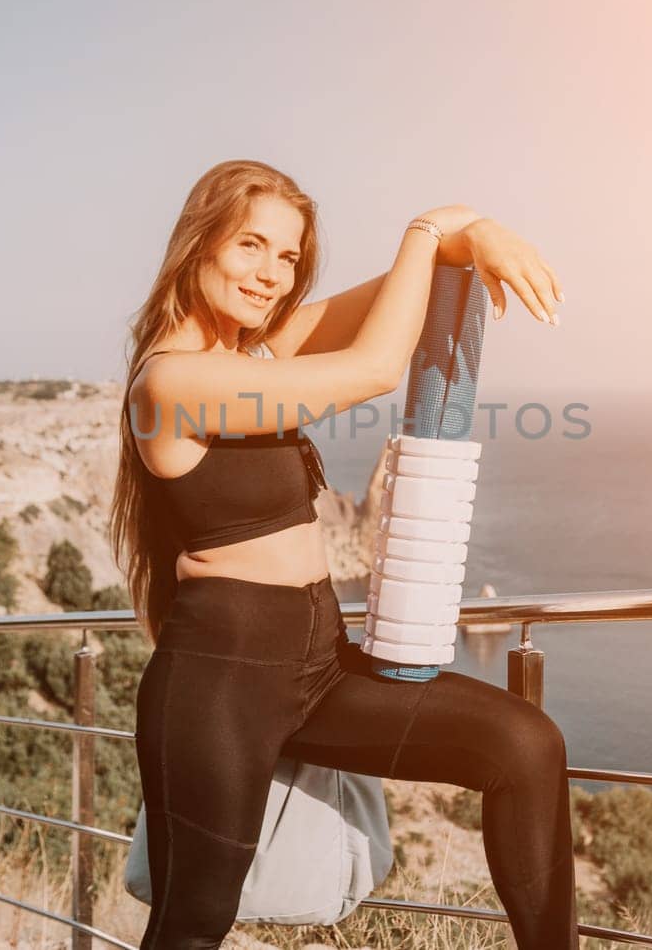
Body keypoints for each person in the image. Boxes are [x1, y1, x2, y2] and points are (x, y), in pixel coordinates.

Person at [110, 159, 576, 949]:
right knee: (194, 922)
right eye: (251, 245)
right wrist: (430, 226)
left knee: (525, 746)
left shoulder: (261, 353)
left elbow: (417, 282)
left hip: (320, 668)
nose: (271, 274)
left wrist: (473, 231)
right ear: (200, 243)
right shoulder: (172, 383)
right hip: (218, 683)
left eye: (288, 257)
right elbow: (373, 368)